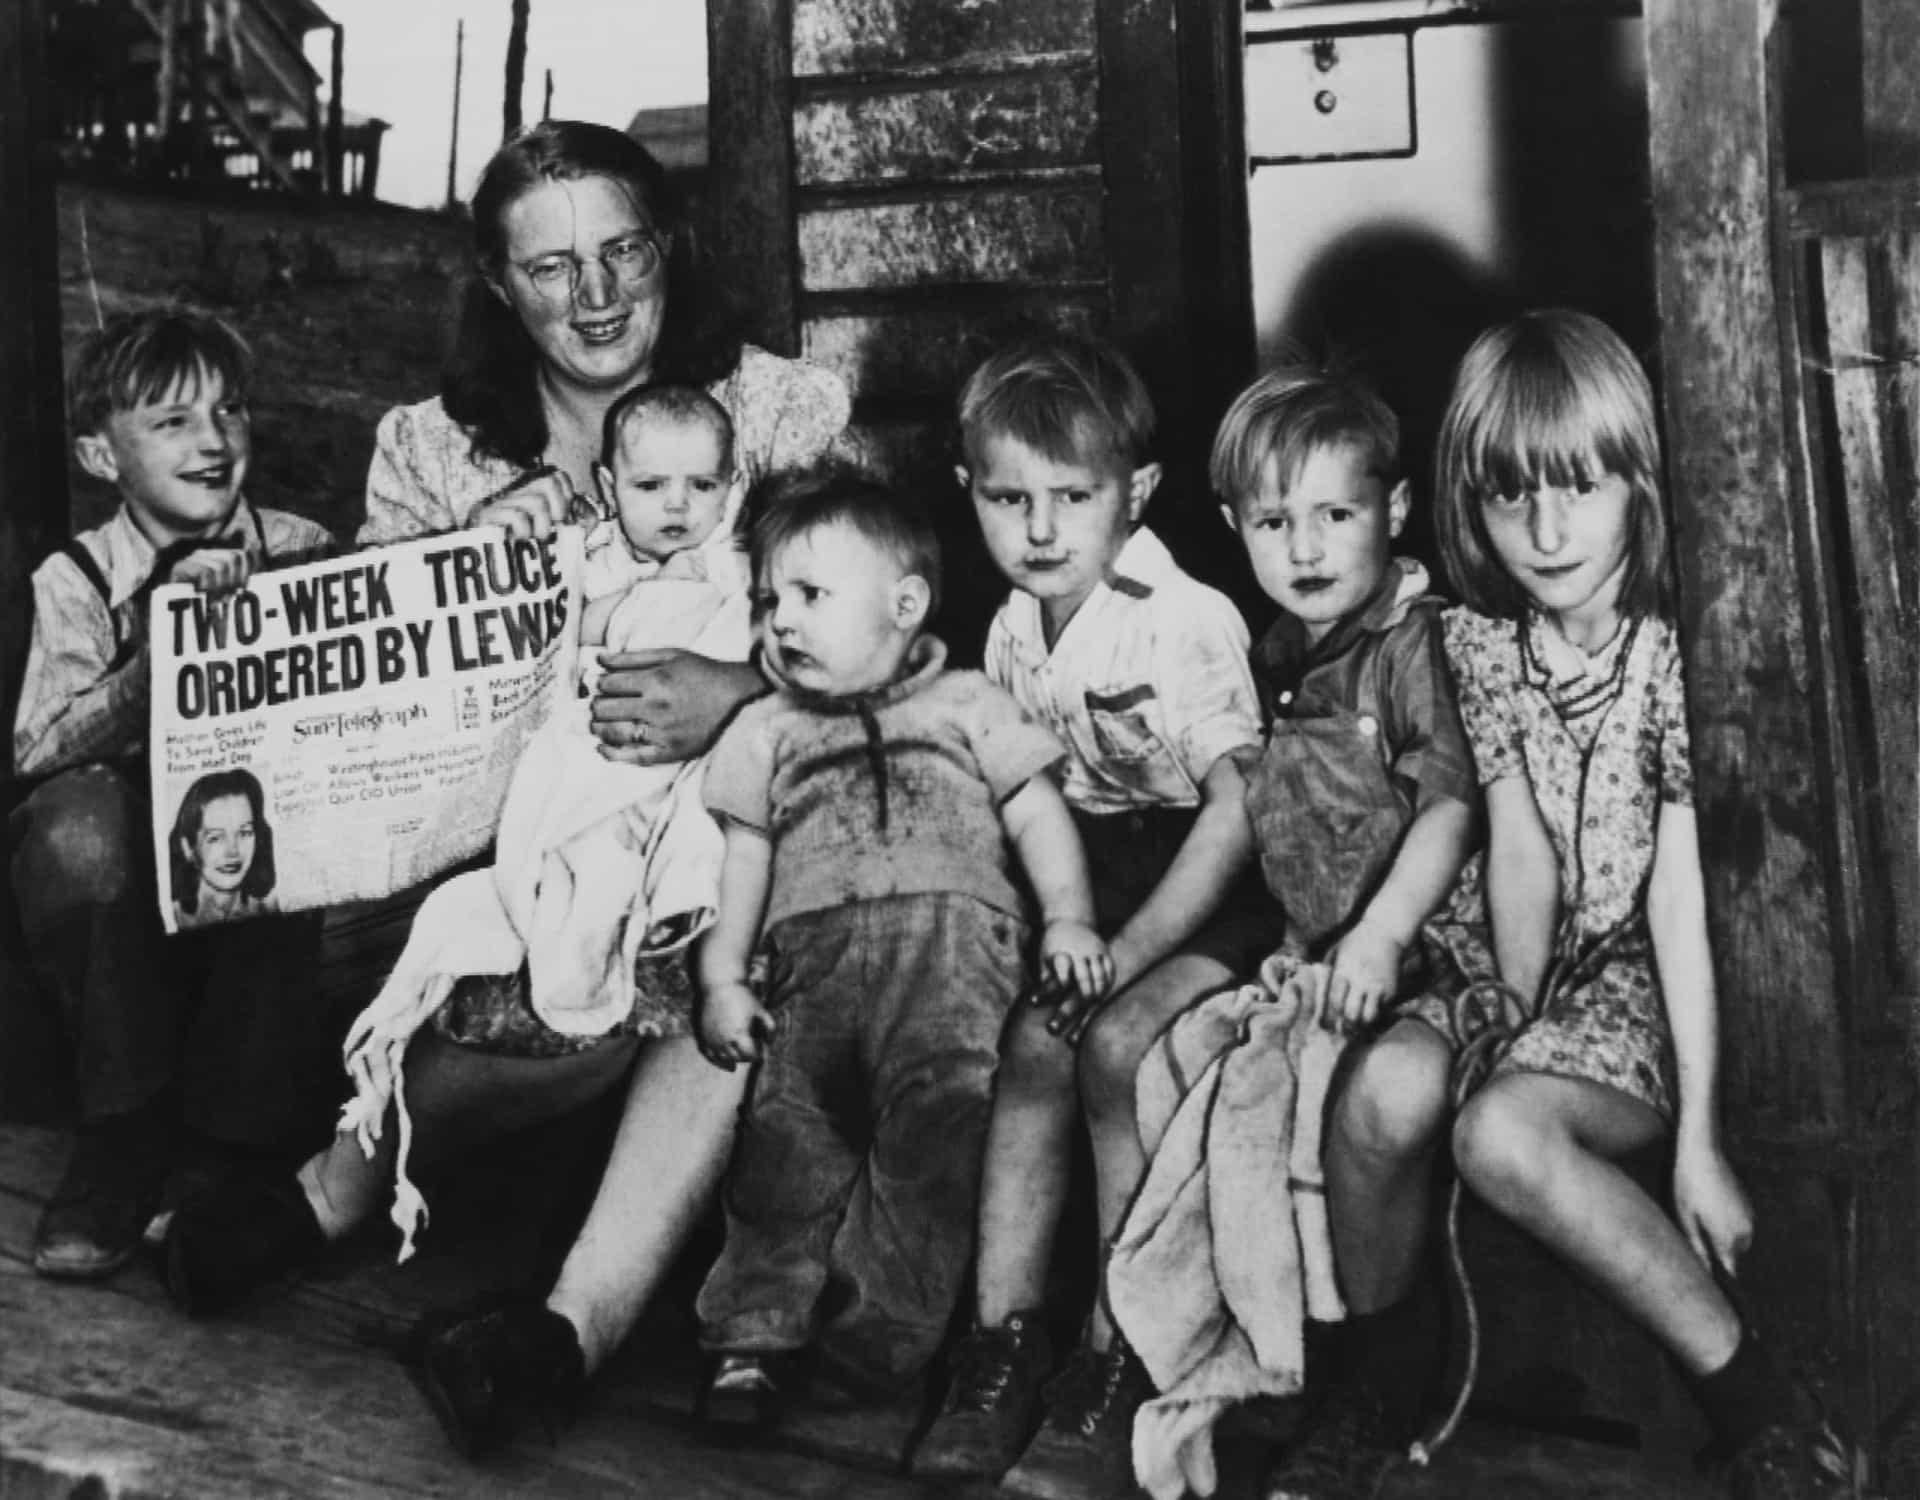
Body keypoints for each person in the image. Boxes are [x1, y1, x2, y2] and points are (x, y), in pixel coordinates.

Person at [161, 119, 850, 1459]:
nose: (594, 300)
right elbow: (368, 720)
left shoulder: (778, 410)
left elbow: (880, 631)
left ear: (672, 250)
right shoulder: (431, 450)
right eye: (549, 269)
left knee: (723, 942)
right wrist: (468, 576)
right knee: (527, 967)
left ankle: (560, 1328)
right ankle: (338, 1192)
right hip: (504, 841)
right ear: (494, 281)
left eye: (623, 253)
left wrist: (749, 694)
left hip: (727, 835)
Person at [1273, 309, 1849, 1500]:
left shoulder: (1684, 655)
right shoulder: (1486, 647)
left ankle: (1762, 1412)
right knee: (1382, 1093)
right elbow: (1518, 841)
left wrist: (1697, 1142)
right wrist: (1507, 1009)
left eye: (1578, 488)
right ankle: (1379, 1383)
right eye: (1506, 498)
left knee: (1500, 1133)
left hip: (1642, 964)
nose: (1545, 531)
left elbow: (1681, 899)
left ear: (1640, 479)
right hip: (1518, 942)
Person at [911, 332, 1274, 1496]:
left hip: (1213, 888)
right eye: (1010, 499)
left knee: (1117, 1046)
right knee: (1029, 1047)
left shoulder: (1183, 617)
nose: (1042, 528)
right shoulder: (1015, 626)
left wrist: (1133, 948)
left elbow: (1237, 810)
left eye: (1075, 497)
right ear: (969, 494)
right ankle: (1003, 1342)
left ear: (1140, 494)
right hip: (1093, 878)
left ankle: (1127, 1355)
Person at [690, 469, 1106, 1424]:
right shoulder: (764, 730)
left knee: (936, 1154)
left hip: (955, 970)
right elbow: (743, 866)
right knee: (785, 1148)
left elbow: (1039, 818)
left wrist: (1072, 920)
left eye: (809, 596)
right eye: (768, 602)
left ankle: (872, 1351)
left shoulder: (969, 704)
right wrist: (721, 976)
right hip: (813, 976)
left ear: (904, 604)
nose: (781, 622)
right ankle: (752, 1343)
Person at [10, 306, 334, 1282]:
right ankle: (123, 1129)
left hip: (251, 871)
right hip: (123, 880)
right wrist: (153, 667)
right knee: (76, 826)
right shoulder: (75, 578)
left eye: (230, 412)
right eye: (172, 421)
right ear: (99, 456)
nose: (213, 440)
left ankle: (227, 1144)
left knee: (294, 811)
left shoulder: (303, 545)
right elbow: (32, 751)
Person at [1206, 363, 1482, 1499]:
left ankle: (1385, 1359)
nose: (1307, 547)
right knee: (1242, 1085)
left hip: (1437, 953)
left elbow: (1451, 804)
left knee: (1378, 1104)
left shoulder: (1416, 641)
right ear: (1235, 526)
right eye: (1276, 522)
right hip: (1328, 959)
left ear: (1396, 512)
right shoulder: (1276, 654)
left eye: (1337, 515)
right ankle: (1280, 1354)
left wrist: (1375, 937)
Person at [169, 769, 281, 930]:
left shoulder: (272, 912)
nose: (233, 851)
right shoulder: (173, 919)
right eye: (215, 838)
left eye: (244, 833)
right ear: (188, 848)